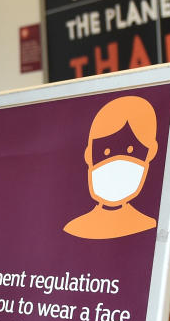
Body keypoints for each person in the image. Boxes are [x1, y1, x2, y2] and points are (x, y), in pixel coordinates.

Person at [63, 94, 159, 240]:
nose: (117, 161)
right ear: (89, 155)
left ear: (150, 153)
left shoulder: (150, 226)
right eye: (106, 152)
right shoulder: (73, 229)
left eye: (130, 152)